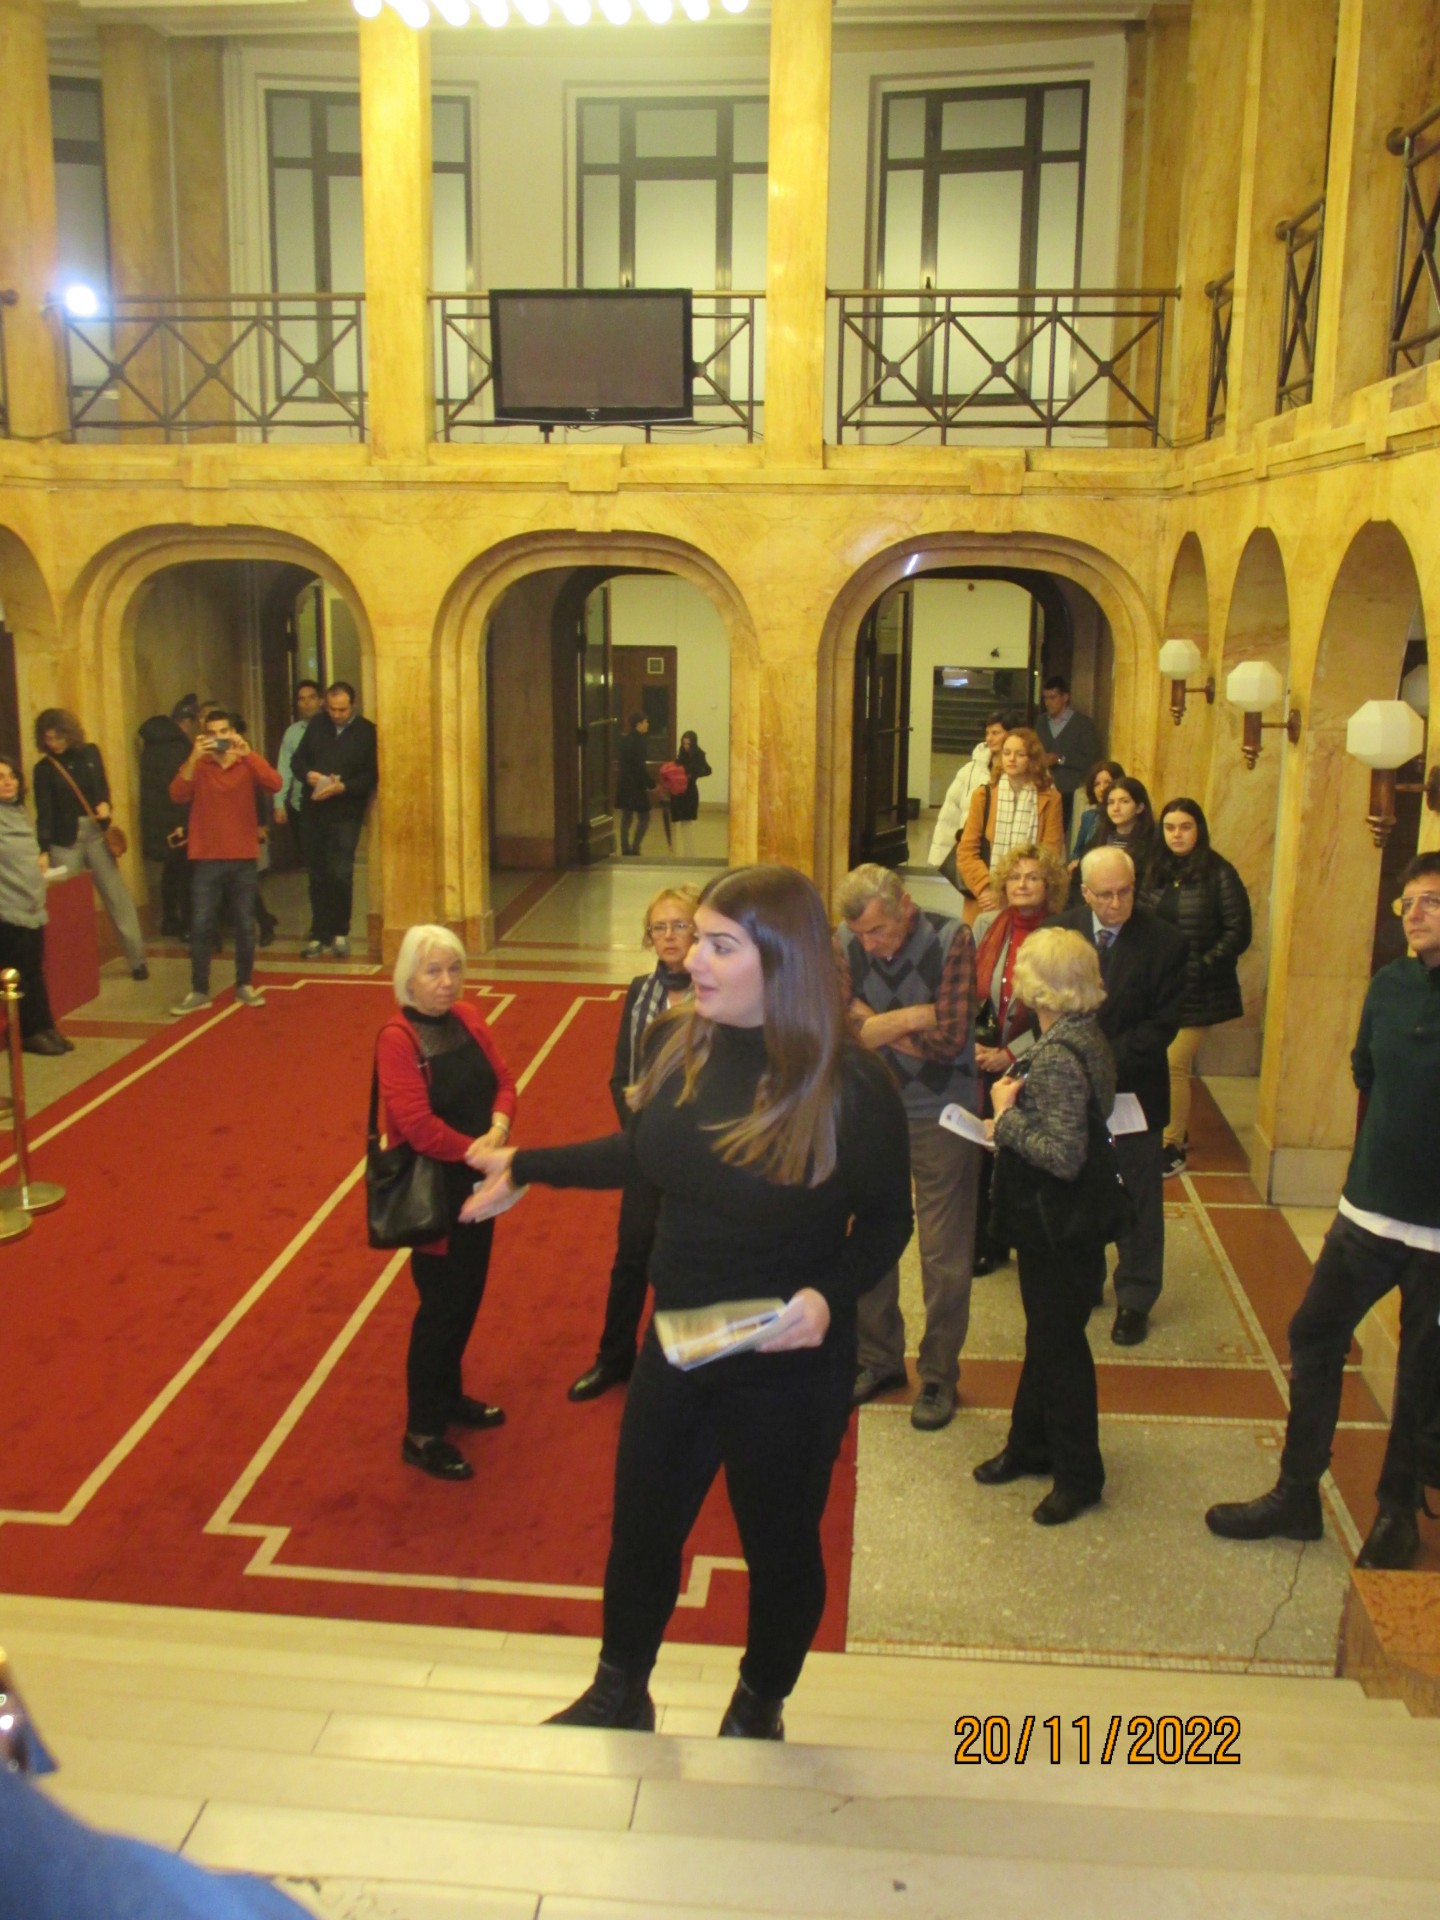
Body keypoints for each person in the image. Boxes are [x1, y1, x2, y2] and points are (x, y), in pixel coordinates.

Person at [463, 865, 912, 1739]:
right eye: (696, 939)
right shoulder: (680, 1041)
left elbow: (890, 1220)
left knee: (780, 1548)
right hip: (683, 1341)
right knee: (642, 1529)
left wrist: (830, 1295)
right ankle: (620, 1690)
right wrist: (529, 1167)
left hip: (785, 1360)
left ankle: (758, 1706)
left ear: (779, 962)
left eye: (719, 945)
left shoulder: (850, 1087)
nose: (693, 959)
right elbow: (646, 1155)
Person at [1205, 854, 1440, 1571]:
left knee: (1422, 1372)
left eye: (1431, 901)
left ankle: (1398, 1512)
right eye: (1407, 903)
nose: (1414, 914)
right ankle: (1297, 1492)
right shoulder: (1391, 985)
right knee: (1314, 1331)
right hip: (1369, 1210)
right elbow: (1365, 1070)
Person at [977, 927, 1117, 1524]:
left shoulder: (1058, 1055)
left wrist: (1005, 1119)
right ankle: (1029, 1445)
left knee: (1060, 1350)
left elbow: (1063, 1155)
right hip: (1071, 1223)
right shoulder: (1082, 1033)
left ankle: (1080, 1476)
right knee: (1047, 1337)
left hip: (1056, 1225)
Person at [837, 863, 978, 1431]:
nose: (868, 945)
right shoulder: (843, 940)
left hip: (941, 1112)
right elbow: (840, 1030)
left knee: (944, 1254)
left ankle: (939, 1373)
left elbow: (950, 1041)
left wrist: (875, 1023)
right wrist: (914, 1015)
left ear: (907, 908)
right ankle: (878, 1359)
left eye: (878, 931)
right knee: (872, 1238)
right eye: (861, 934)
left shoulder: (951, 939)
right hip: (871, 1109)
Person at [376, 925, 518, 1482]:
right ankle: (422, 1433)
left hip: (478, 1185)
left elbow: (504, 1081)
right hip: (437, 1192)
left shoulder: (468, 1018)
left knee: (467, 1297)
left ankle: (450, 1395)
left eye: (454, 969)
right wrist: (482, 1153)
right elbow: (416, 1126)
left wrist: (499, 1127)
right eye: (433, 971)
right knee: (440, 1310)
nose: (446, 981)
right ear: (408, 977)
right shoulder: (397, 1038)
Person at [569, 884, 700, 1402]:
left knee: (686, 1263)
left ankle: (678, 1365)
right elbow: (620, 1075)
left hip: (700, 1154)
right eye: (659, 928)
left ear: (699, 931)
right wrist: (641, 1137)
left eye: (680, 925)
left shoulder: (718, 993)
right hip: (647, 1150)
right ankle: (613, 1358)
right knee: (631, 1257)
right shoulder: (639, 991)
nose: (669, 937)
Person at [1060, 846, 1187, 1346]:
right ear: (1086, 893)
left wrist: (1099, 1061)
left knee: (1138, 1196)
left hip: (1135, 1087)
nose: (1117, 903)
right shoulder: (1061, 932)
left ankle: (1136, 1296)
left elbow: (1162, 1025)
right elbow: (1042, 1004)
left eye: (1125, 892)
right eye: (1106, 895)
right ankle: (1085, 1278)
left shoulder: (1165, 942)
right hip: (1072, 1088)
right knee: (1078, 1187)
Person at [970, 841, 1070, 1273]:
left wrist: (1011, 1053)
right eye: (1014, 877)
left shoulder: (1061, 932)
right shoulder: (986, 924)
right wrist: (978, 1046)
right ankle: (986, 1241)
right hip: (983, 1055)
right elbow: (969, 990)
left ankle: (1025, 1238)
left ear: (1049, 885)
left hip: (1037, 1057)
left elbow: (1060, 1008)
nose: (1022, 885)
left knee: (1023, 1153)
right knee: (981, 1150)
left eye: (1032, 877)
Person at [1151, 797, 1253, 1177]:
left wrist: (1203, 965)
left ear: (1199, 829)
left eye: (1185, 827)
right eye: (1170, 828)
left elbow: (1238, 931)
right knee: (1154, 1059)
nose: (1177, 835)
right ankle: (1168, 1127)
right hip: (1160, 987)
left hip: (1200, 989)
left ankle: (1172, 1144)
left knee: (1174, 1061)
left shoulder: (1219, 872)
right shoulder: (1155, 869)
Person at [166, 710, 282, 1016]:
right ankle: (199, 990)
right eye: (212, 733)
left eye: (224, 731)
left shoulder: (246, 762)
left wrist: (249, 754)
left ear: (233, 733)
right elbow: (177, 794)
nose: (219, 738)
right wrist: (193, 757)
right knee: (201, 924)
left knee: (245, 924)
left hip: (243, 856)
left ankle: (244, 984)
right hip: (206, 857)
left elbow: (274, 783)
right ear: (205, 736)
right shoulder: (200, 764)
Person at [32, 708, 149, 981]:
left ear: (70, 734)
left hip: (96, 832)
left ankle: (137, 960)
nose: (54, 744)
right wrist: (43, 849)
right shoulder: (44, 769)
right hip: (64, 840)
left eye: (59, 737)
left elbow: (102, 786)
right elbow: (44, 811)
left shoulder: (89, 753)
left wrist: (106, 804)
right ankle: (73, 969)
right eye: (49, 739)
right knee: (67, 905)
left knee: (116, 896)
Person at [290, 680, 379, 958]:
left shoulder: (366, 731)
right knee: (317, 874)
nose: (337, 715)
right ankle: (319, 933)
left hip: (345, 813)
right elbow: (297, 761)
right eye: (332, 709)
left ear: (353, 705)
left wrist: (344, 787)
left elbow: (372, 774)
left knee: (340, 874)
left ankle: (340, 932)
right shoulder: (317, 725)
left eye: (342, 710)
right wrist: (308, 775)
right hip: (313, 811)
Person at [955, 726, 1066, 920]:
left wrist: (1018, 890)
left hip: (1030, 899)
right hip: (986, 900)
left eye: (1020, 754)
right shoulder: (983, 796)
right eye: (1006, 753)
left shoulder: (1050, 799)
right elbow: (966, 851)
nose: (1011, 759)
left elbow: (1051, 854)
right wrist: (987, 888)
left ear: (1032, 759)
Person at [0, 753, 71, 1054]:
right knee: (19, 973)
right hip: (6, 908)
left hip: (30, 904)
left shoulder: (19, 813)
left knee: (34, 970)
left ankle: (45, 1025)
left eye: (11, 776)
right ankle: (28, 1032)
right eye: (0, 778)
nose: (8, 782)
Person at [137, 693, 199, 938]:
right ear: (187, 721)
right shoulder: (179, 748)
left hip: (158, 820)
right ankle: (187, 924)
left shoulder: (152, 745)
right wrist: (183, 822)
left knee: (171, 871)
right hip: (177, 820)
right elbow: (182, 788)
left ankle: (170, 919)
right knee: (185, 874)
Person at [928, 710, 1012, 878]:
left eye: (996, 733)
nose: (989, 738)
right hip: (971, 850)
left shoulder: (1021, 774)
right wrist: (939, 856)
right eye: (987, 733)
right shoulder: (969, 771)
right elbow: (950, 815)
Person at [273, 678, 323, 930]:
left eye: (311, 697)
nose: (307, 703)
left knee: (331, 869)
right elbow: (283, 769)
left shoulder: (331, 730)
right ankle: (318, 920)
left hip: (328, 805)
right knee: (312, 867)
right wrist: (278, 802)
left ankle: (332, 922)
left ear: (320, 700)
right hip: (300, 807)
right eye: (302, 699)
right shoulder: (292, 733)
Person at [1034, 676, 1102, 834]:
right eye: (1045, 698)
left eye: (1052, 697)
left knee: (1060, 832)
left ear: (1065, 697)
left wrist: (1060, 759)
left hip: (1069, 789)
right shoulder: (1041, 722)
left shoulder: (1082, 724)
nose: (1048, 703)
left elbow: (1090, 759)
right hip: (1042, 787)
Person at [1093, 774, 1161, 902]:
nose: (1116, 808)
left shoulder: (1152, 842)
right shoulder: (1099, 837)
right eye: (1111, 802)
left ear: (1139, 807)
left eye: (1124, 801)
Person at [1069, 759, 1125, 868]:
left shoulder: (1123, 817)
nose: (1102, 788)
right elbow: (1077, 851)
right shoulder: (1089, 817)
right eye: (1097, 784)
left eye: (1108, 782)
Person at [668, 729, 711, 857]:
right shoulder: (682, 754)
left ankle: (689, 853)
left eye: (688, 744)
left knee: (687, 823)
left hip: (690, 791)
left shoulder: (699, 755)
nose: (686, 746)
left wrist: (694, 774)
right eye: (684, 743)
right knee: (683, 824)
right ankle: (688, 853)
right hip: (680, 792)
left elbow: (707, 770)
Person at [615, 711, 652, 857]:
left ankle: (625, 848)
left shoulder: (624, 740)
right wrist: (651, 784)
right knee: (644, 817)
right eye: (645, 722)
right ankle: (635, 847)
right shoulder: (640, 742)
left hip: (625, 783)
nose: (647, 724)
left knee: (626, 817)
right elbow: (640, 767)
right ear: (638, 724)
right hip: (636, 785)